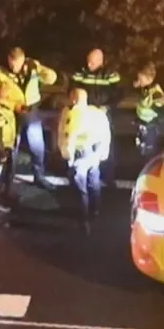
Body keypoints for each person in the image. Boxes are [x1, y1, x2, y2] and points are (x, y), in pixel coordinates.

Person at [0, 47, 57, 223]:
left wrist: (39, 69)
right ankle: (6, 191)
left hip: (31, 111)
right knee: (10, 154)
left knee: (37, 146)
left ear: (23, 59)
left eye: (17, 62)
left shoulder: (32, 67)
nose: (14, 66)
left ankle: (39, 176)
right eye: (11, 62)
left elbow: (52, 78)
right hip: (12, 114)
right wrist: (13, 106)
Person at [59, 86, 112, 233]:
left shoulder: (73, 115)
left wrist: (68, 158)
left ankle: (84, 220)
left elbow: (70, 138)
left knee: (81, 189)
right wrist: (103, 152)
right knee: (94, 182)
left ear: (73, 99)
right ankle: (95, 210)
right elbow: (105, 133)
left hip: (80, 155)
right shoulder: (96, 112)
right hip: (94, 153)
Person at [69, 48, 122, 186]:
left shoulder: (110, 75)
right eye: (88, 62)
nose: (89, 65)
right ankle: (78, 175)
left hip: (103, 113)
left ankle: (108, 177)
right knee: (82, 144)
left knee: (104, 145)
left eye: (92, 63)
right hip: (84, 113)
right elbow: (72, 89)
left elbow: (118, 94)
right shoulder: (81, 73)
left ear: (101, 61)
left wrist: (107, 107)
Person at [132, 63, 164, 164]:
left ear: (148, 78)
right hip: (143, 125)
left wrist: (151, 106)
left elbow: (163, 111)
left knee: (150, 153)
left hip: (150, 127)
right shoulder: (145, 89)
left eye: (141, 79)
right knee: (142, 150)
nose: (139, 81)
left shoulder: (155, 93)